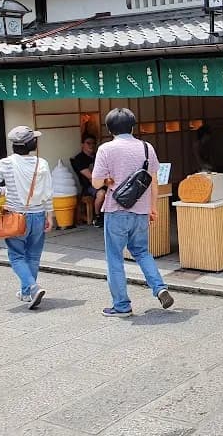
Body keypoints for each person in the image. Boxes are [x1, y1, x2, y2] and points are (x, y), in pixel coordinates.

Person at [91, 108, 173, 317]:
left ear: (110, 129)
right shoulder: (146, 147)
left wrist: (109, 179)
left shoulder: (106, 149)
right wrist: (152, 207)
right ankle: (159, 287)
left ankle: (121, 305)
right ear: (133, 126)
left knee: (115, 258)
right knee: (142, 252)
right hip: (141, 210)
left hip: (116, 211)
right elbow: (154, 182)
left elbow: (96, 182)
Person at [0, 126, 54, 309]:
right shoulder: (42, 163)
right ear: (31, 144)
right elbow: (48, 193)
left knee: (17, 256)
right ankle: (27, 292)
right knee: (33, 255)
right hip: (39, 215)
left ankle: (31, 288)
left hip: (16, 217)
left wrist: (8, 190)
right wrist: (50, 215)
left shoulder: (4, 164)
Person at [71, 133, 106, 227]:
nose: (91, 145)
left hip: (105, 182)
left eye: (93, 143)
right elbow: (90, 177)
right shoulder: (79, 159)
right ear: (83, 144)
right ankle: (98, 217)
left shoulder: (98, 156)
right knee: (101, 193)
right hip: (89, 187)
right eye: (88, 143)